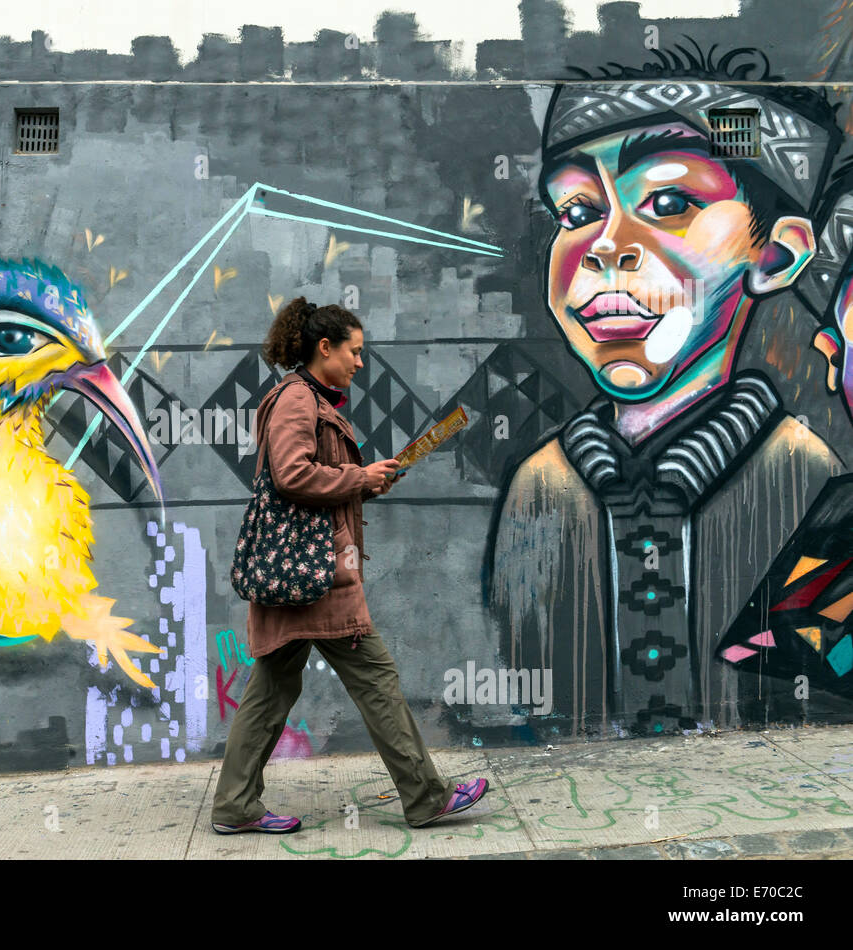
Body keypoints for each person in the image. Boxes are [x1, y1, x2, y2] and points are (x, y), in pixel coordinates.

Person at [485, 44, 848, 737]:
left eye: (671, 201)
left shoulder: (810, 481)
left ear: (774, 254)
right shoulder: (541, 488)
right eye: (575, 212)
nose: (604, 246)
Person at [211, 296, 489, 834]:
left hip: (299, 574)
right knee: (377, 679)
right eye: (354, 352)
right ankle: (427, 796)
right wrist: (360, 478)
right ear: (325, 347)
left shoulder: (309, 398)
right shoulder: (297, 399)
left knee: (271, 690)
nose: (361, 363)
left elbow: (320, 481)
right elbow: (293, 475)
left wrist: (371, 479)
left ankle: (234, 805)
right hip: (316, 575)